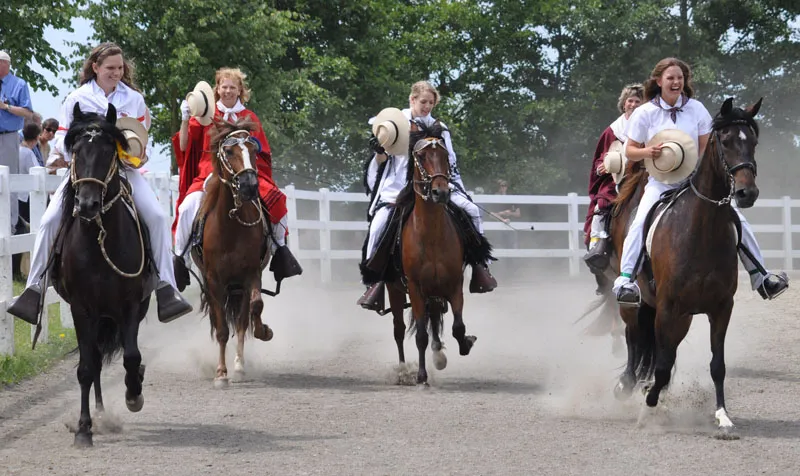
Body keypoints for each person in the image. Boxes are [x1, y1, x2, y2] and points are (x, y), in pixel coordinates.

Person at [7, 42, 193, 325]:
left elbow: (143, 140)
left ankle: (166, 287)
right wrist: (72, 157)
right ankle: (34, 290)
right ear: (95, 67)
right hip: (84, 174)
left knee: (156, 217)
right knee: (48, 221)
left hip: (125, 172)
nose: (117, 73)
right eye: (110, 68)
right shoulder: (76, 99)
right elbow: (63, 141)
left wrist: (141, 156)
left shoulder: (134, 99)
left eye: (120, 68)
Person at [613, 57, 788, 305]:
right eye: (670, 78)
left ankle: (762, 277)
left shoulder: (696, 109)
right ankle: (626, 280)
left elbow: (707, 149)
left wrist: (704, 174)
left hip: (692, 181)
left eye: (680, 78)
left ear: (685, 82)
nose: (676, 82)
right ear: (659, 81)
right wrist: (647, 153)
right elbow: (630, 150)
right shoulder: (644, 113)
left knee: (738, 220)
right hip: (660, 181)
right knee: (640, 220)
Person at [357, 81, 496, 310]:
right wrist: (378, 151)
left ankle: (481, 266)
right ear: (412, 100)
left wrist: (452, 185)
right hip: (398, 189)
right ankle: (376, 281)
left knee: (471, 210)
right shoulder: (394, 125)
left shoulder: (440, 128)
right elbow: (382, 162)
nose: (427, 106)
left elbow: (450, 160)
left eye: (431, 103)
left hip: (433, 185)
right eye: (423, 102)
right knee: (378, 226)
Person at [172, 67, 302, 289]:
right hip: (210, 173)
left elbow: (262, 152)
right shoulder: (205, 116)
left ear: (240, 90)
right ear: (217, 88)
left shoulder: (250, 117)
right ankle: (179, 258)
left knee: (276, 199)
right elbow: (184, 146)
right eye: (224, 87)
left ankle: (279, 247)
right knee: (187, 207)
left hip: (246, 170)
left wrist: (251, 166)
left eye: (233, 87)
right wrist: (185, 119)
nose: (228, 91)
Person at [583, 83, 643, 272]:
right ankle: (597, 245)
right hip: (615, 178)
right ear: (624, 104)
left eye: (637, 101)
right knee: (602, 202)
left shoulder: (648, 127)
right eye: (630, 101)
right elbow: (600, 157)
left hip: (641, 175)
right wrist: (603, 166)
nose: (633, 104)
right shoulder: (612, 131)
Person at [0, 50, 34, 233]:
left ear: (5, 64)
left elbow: (28, 112)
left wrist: (6, 106)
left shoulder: (19, 84)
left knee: (8, 179)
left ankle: (10, 224)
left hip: (8, 136)